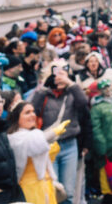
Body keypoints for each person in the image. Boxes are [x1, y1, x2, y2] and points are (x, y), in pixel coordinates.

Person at [30, 61, 91, 204]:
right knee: (53, 189)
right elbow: (33, 109)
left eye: (64, 74)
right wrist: (45, 87)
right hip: (48, 145)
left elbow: (83, 103)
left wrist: (70, 83)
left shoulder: (72, 93)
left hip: (69, 145)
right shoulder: (43, 93)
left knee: (68, 192)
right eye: (57, 75)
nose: (60, 78)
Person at [6, 101, 66, 204]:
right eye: (27, 112)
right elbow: (34, 143)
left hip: (46, 185)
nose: (32, 115)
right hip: (29, 187)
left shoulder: (36, 134)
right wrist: (53, 132)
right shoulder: (14, 138)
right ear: (16, 117)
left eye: (33, 111)